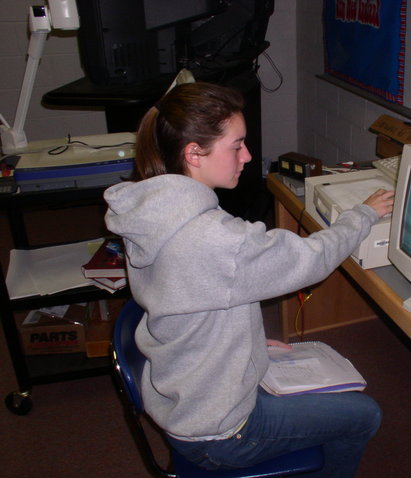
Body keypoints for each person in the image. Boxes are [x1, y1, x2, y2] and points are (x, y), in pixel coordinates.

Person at [104, 82, 394, 477]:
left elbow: (198, 295)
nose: (248, 155)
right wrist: (362, 214)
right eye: (236, 145)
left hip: (182, 391)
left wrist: (249, 341)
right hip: (221, 434)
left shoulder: (152, 211)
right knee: (364, 414)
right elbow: (312, 259)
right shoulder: (214, 239)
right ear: (194, 153)